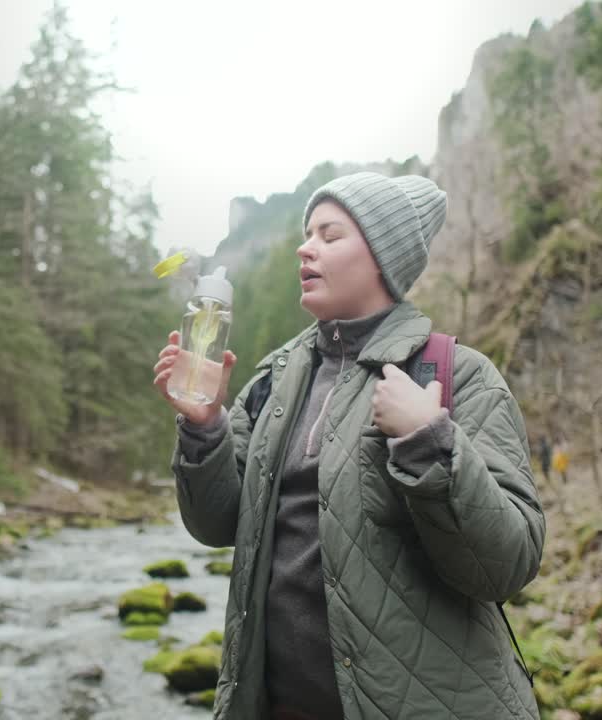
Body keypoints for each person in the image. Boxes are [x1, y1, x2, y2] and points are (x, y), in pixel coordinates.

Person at [152, 172, 545, 720]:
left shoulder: (457, 376)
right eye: (307, 234)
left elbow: (508, 565)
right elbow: (217, 525)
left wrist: (429, 441)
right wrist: (206, 426)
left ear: (383, 256)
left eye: (330, 236)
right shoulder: (274, 378)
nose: (304, 248)